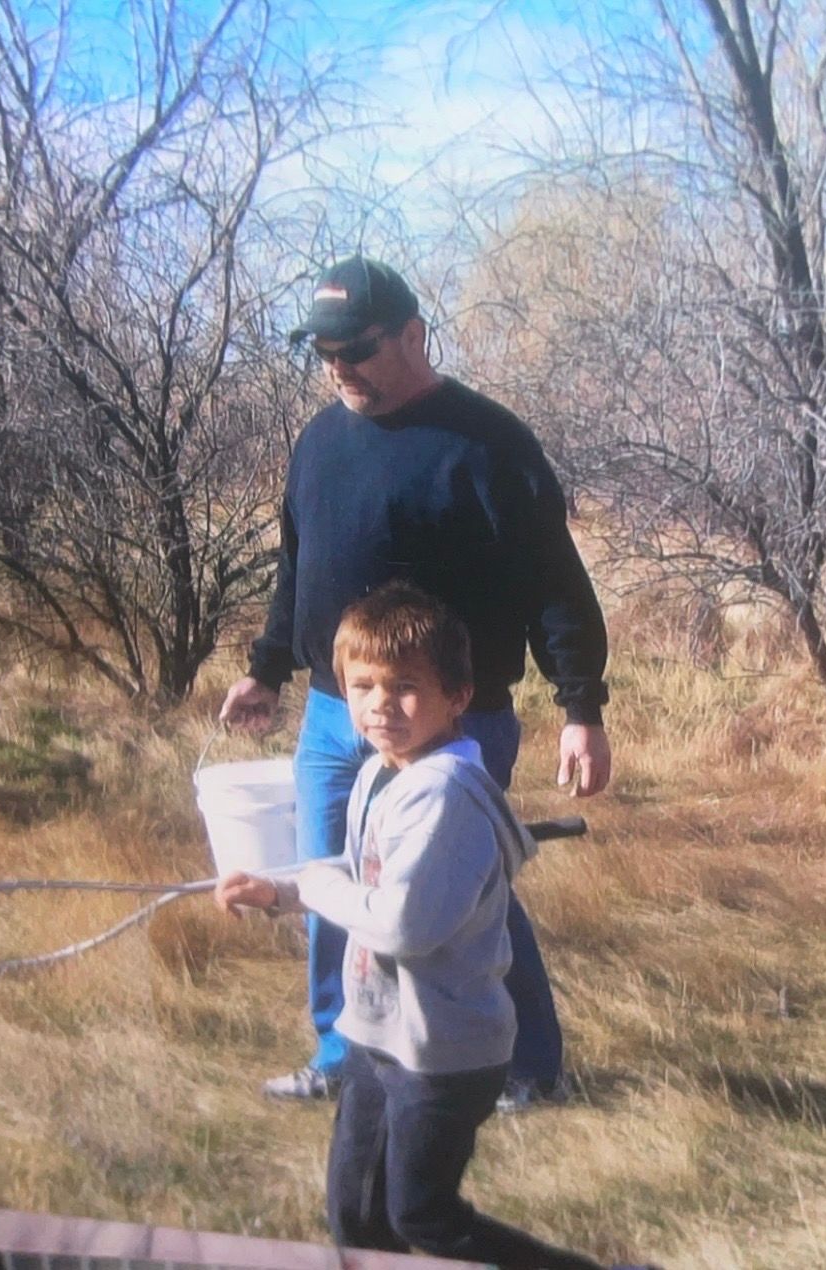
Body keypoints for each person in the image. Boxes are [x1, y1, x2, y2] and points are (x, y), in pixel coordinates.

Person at [220, 254, 610, 1110]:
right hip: (335, 712)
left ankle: (527, 1065)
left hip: (452, 722)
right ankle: (345, 1055)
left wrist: (581, 705)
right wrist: (268, 668)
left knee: (464, 894)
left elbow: (555, 583)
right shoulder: (320, 441)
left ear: (412, 336)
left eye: (357, 349)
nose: (340, 368)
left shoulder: (489, 445)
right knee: (328, 880)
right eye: (324, 353)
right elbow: (299, 569)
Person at [214, 585, 617, 1269]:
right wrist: (282, 890)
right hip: (377, 1032)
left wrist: (316, 886)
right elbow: (360, 872)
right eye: (362, 686)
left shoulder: (444, 797)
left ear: (458, 696)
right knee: (356, 1211)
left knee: (423, 1214)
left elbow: (403, 924)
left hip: (443, 1052)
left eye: (405, 687)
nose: (380, 704)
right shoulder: (382, 772)